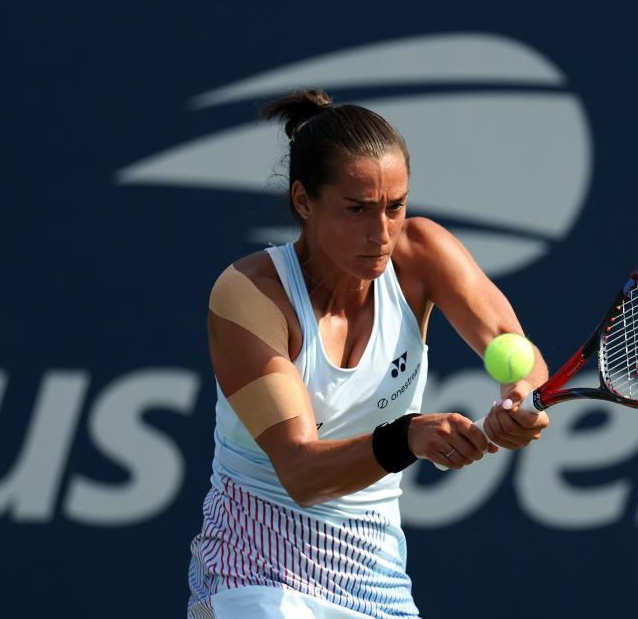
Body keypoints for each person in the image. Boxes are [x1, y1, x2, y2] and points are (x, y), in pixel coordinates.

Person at [187, 89, 550, 619]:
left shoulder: (422, 254)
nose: (381, 233)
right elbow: (301, 472)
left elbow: (511, 345)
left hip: (375, 575)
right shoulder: (251, 293)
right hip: (251, 568)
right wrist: (407, 437)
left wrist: (522, 397)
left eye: (395, 207)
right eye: (356, 210)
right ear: (303, 201)